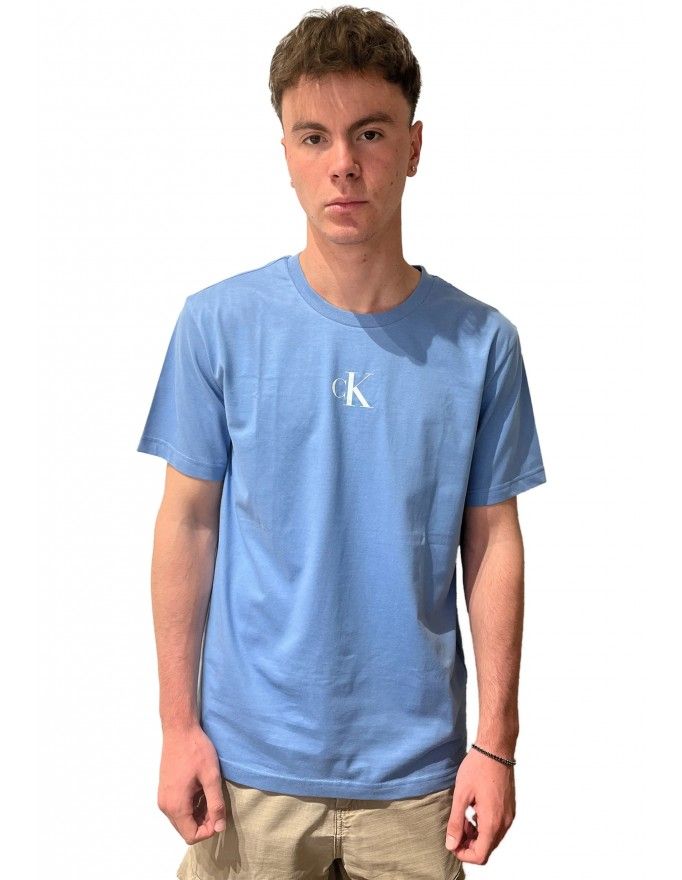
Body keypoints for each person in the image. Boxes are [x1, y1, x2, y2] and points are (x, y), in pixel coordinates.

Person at [136, 6, 547, 878]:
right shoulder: (218, 325)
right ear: (285, 153)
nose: (343, 165)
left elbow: (493, 542)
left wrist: (497, 743)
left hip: (419, 781)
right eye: (314, 137)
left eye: (370, 132)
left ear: (414, 145)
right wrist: (176, 727)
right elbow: (188, 525)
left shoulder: (481, 344)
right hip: (246, 772)